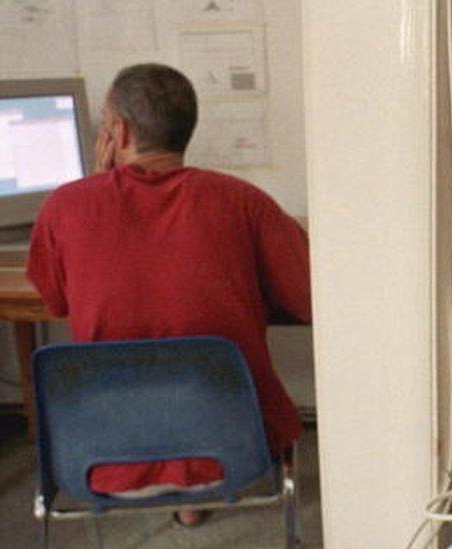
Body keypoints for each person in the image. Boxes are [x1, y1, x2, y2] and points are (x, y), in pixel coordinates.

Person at [27, 63, 311, 526]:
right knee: (198, 351)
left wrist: (93, 188)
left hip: (102, 455)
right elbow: (310, 296)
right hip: (231, 449)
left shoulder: (64, 207)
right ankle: (189, 496)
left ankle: (181, 493)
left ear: (117, 133)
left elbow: (57, 303)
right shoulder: (242, 200)